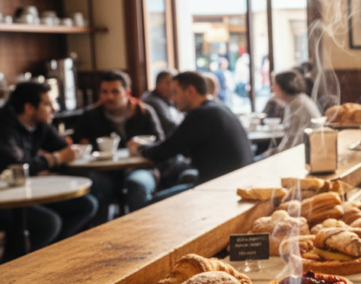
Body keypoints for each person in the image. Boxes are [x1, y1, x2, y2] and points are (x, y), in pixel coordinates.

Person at [0, 82, 98, 254]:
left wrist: (66, 155)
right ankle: (16, 267)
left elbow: (64, 150)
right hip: (5, 200)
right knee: (49, 223)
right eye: (47, 104)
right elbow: (15, 167)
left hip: (25, 193)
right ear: (29, 107)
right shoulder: (4, 126)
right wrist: (55, 159)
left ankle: (48, 256)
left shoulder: (40, 125)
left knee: (86, 204)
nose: (54, 109)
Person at [128, 71, 253, 196]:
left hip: (219, 190)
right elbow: (179, 144)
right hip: (236, 183)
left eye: (175, 93)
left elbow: (165, 151)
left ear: (190, 91)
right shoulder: (218, 107)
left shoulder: (201, 114)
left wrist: (140, 148)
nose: (172, 99)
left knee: (149, 207)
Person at [72, 70, 164, 213]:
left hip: (141, 168)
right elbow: (77, 143)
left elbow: (160, 142)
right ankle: (101, 232)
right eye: (104, 92)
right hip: (105, 172)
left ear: (127, 93)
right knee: (93, 185)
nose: (109, 97)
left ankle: (141, 230)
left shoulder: (143, 112)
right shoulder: (90, 115)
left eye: (115, 92)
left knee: (137, 184)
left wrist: (141, 144)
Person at [262, 70, 321, 157]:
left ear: (283, 86)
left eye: (274, 84)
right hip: (304, 152)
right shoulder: (295, 101)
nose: (272, 89)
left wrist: (276, 155)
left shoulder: (298, 104)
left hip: (310, 154)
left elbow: (294, 139)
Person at [140, 69, 183, 136]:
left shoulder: (169, 99)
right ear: (158, 84)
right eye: (170, 83)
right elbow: (169, 127)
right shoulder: (152, 101)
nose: (173, 87)